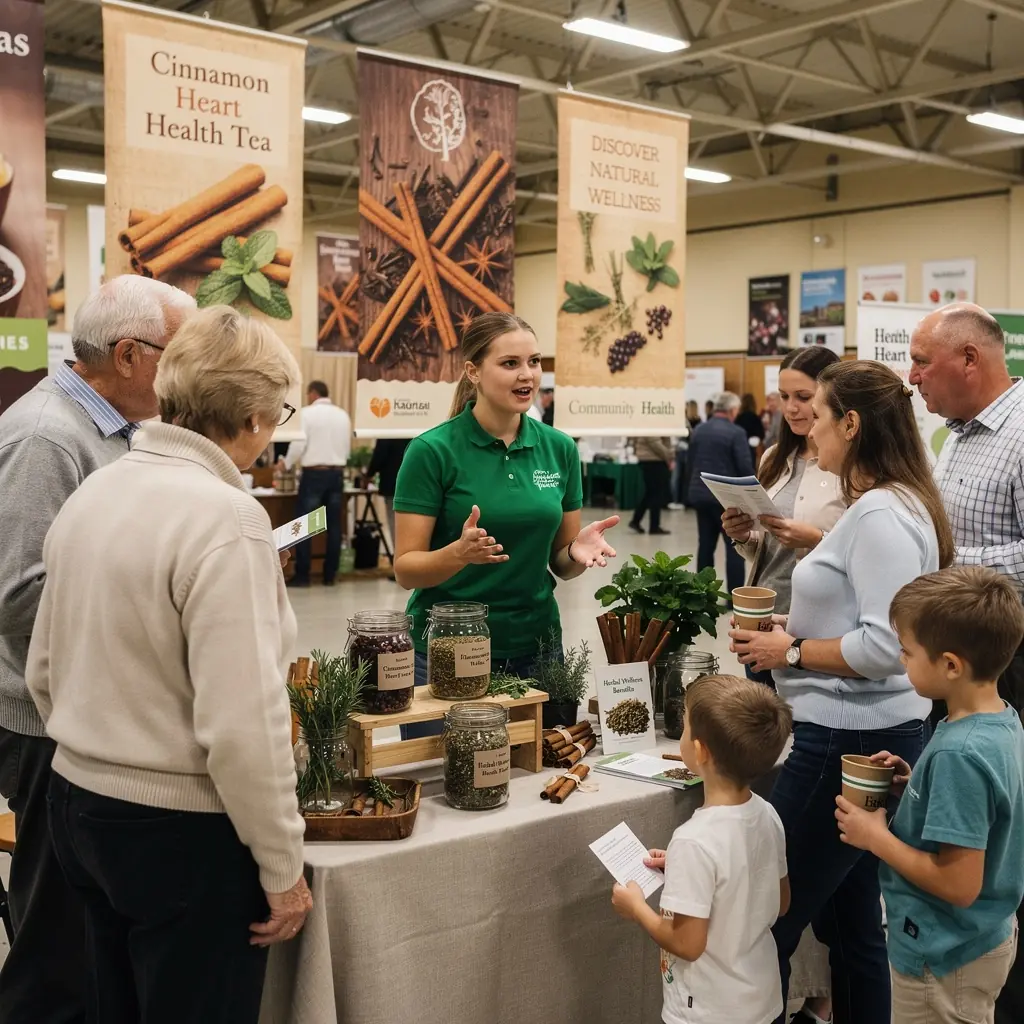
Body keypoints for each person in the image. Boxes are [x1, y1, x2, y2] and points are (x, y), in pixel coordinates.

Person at [26, 306, 311, 1024]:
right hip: (180, 835)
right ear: (253, 416)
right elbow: (244, 724)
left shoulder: (96, 489)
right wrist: (282, 867)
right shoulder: (227, 518)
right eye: (278, 414)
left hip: (76, 804)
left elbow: (43, 668)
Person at [730, 360, 955, 1024]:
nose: (812, 431)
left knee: (767, 920)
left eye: (820, 415)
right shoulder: (892, 504)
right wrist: (791, 627)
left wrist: (792, 650)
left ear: (851, 424)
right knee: (855, 925)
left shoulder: (882, 513)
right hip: (862, 728)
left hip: (846, 735)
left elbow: (884, 646)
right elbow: (865, 615)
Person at [0, 276, 195, 1024]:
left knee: (89, 928)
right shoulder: (46, 437)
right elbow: (15, 596)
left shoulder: (118, 430)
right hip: (46, 721)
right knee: (55, 937)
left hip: (93, 709)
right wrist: (157, 592)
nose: (187, 371)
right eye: (179, 352)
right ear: (129, 355)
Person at [393, 312, 618, 737]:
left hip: (537, 648)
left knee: (539, 769)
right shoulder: (432, 451)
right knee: (445, 772)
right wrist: (458, 554)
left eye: (534, 361)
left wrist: (575, 552)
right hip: (449, 650)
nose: (527, 374)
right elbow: (406, 570)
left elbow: (561, 564)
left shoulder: (560, 449)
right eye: (510, 363)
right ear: (473, 372)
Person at [837, 566, 1024, 1024]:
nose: (901, 659)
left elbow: (959, 884)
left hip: (945, 955)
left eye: (907, 651)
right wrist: (915, 786)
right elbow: (984, 811)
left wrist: (875, 837)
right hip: (980, 937)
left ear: (951, 665)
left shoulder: (961, 752)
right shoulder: (1000, 718)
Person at [610, 674, 793, 1024]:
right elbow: (781, 901)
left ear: (700, 750)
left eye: (684, 727)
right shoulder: (768, 814)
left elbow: (687, 944)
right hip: (760, 998)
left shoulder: (693, 840)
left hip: (708, 1010)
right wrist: (686, 870)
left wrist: (637, 908)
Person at [722, 347, 845, 690]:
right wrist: (743, 536)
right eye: (784, 396)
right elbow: (768, 546)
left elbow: (865, 552)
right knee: (762, 714)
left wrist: (816, 540)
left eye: (803, 397)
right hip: (762, 615)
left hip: (818, 625)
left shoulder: (850, 466)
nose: (791, 408)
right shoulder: (775, 458)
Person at [281, 379, 351, 587]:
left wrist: (286, 463)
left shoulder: (306, 414)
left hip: (314, 475)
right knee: (334, 525)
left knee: (305, 525)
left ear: (313, 394)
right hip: (337, 473)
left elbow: (298, 443)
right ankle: (330, 575)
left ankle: (303, 575)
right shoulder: (343, 415)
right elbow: (346, 446)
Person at [687, 391, 754, 596]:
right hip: (726, 498)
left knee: (705, 545)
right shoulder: (736, 432)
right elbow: (744, 466)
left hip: (700, 493)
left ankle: (701, 594)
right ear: (732, 410)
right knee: (734, 546)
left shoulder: (699, 429)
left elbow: (690, 461)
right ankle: (734, 597)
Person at [365, 437, 411, 550]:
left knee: (395, 522)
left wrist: (368, 475)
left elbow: (380, 455)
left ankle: (400, 555)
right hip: (415, 483)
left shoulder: (388, 431)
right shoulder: (413, 429)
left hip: (392, 484)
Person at [629, 435, 673, 535]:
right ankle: (654, 526)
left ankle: (636, 520)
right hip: (654, 460)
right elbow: (655, 444)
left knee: (650, 493)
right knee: (656, 494)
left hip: (649, 459)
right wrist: (669, 456)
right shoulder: (653, 427)